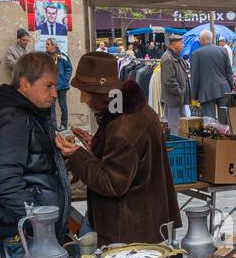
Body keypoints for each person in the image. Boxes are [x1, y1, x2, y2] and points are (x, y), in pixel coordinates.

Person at [56, 52, 182, 246]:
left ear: (101, 94)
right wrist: (96, 147)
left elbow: (112, 182)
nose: (82, 99)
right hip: (141, 222)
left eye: (85, 92)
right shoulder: (131, 112)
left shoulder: (124, 125)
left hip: (130, 232)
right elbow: (126, 161)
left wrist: (77, 155)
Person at [0, 52, 71, 255]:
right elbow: (4, 180)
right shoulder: (14, 120)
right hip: (27, 236)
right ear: (25, 84)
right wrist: (38, 221)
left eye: (55, 86)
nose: (55, 93)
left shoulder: (28, 115)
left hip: (31, 233)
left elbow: (31, 165)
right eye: (48, 86)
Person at [190, 29, 235, 121]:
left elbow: (195, 77)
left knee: (210, 123)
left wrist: (194, 96)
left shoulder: (196, 53)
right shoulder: (223, 50)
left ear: (202, 40)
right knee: (225, 120)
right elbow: (229, 72)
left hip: (206, 91)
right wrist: (231, 87)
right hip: (223, 88)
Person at [159, 33, 190, 133]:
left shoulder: (176, 57)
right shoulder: (168, 58)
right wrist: (180, 92)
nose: (183, 45)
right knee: (174, 127)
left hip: (178, 98)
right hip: (173, 99)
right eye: (181, 43)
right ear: (175, 44)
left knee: (180, 125)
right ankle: (176, 147)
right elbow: (169, 81)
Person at [45, 40, 73, 131]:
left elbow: (69, 68)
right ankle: (53, 127)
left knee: (63, 107)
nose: (46, 46)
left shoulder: (62, 56)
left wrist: (65, 79)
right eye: (46, 44)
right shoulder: (44, 57)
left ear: (54, 46)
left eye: (48, 44)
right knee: (51, 107)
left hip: (62, 86)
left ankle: (64, 125)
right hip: (50, 86)